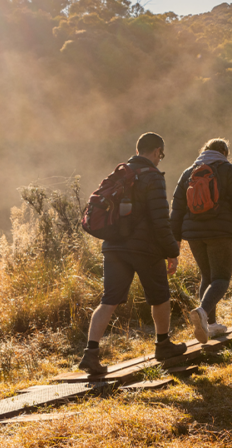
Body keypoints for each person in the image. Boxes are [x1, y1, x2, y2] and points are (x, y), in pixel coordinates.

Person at [78, 132, 186, 374]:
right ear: (157, 150)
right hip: (144, 247)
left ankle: (90, 353)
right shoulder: (153, 177)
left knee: (109, 300)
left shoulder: (121, 174)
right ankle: (163, 345)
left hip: (114, 246)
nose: (160, 159)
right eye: (161, 154)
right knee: (160, 297)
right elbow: (160, 219)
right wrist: (172, 251)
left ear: (138, 149)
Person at [171, 138, 232, 343]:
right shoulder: (228, 170)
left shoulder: (187, 173)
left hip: (193, 234)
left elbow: (176, 210)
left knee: (207, 277)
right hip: (220, 232)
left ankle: (210, 325)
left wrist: (175, 239)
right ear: (224, 153)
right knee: (221, 278)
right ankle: (202, 312)